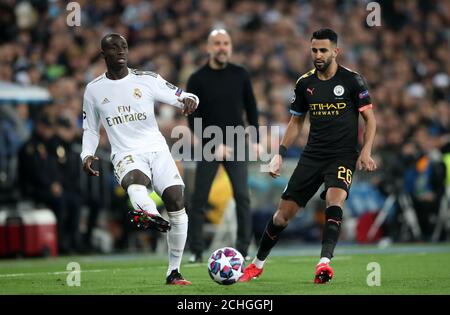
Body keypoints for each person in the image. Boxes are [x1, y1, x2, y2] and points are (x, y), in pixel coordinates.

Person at [239, 28, 377, 284]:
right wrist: (279, 154)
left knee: (335, 202)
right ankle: (257, 265)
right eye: (314, 50)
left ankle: (323, 263)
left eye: (323, 50)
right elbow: (296, 122)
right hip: (312, 155)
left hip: (342, 155)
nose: (318, 54)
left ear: (336, 51)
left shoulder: (353, 81)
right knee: (282, 216)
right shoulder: (305, 83)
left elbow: (370, 120)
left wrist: (366, 151)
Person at [80, 33, 199, 285]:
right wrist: (86, 153)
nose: (120, 51)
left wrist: (190, 100)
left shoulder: (147, 80)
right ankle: (147, 212)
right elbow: (90, 128)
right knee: (136, 179)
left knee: (177, 201)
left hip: (157, 149)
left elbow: (183, 96)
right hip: (125, 152)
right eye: (113, 48)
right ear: (104, 55)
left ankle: (173, 271)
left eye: (123, 46)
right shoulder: (93, 90)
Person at [186, 29, 261, 263]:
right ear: (209, 47)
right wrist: (212, 143)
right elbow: (192, 115)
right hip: (210, 143)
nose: (222, 47)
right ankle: (196, 251)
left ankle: (243, 249)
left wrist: (256, 139)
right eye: (217, 43)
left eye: (226, 43)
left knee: (242, 196)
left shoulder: (241, 74)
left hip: (237, 140)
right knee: (199, 197)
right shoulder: (197, 78)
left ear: (230, 46)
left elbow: (251, 107)